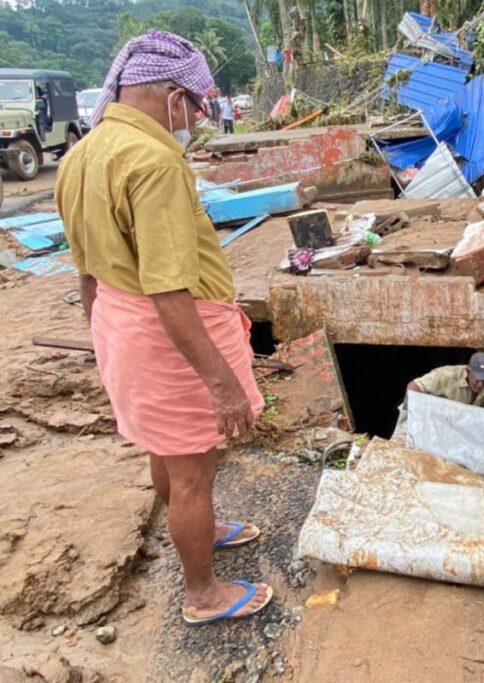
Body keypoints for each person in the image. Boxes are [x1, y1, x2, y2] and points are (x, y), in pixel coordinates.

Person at [55, 30, 272, 626]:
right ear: (171, 94)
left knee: (168, 450)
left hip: (121, 324)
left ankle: (199, 531)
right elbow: (169, 289)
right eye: (198, 105)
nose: (198, 118)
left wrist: (102, 333)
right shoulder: (153, 163)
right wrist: (221, 382)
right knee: (194, 470)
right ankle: (203, 593)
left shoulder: (84, 152)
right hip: (170, 335)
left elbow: (86, 267)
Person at [392, 352, 484, 440]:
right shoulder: (446, 376)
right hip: (431, 423)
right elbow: (413, 386)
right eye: (478, 379)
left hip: (457, 429)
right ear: (468, 371)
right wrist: (415, 420)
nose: (481, 385)